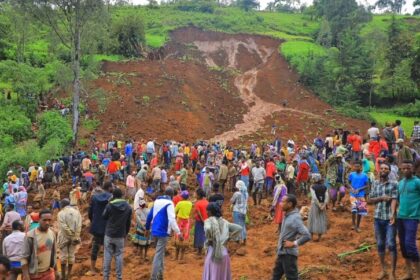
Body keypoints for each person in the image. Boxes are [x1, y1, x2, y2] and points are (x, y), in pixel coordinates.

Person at [367, 163, 398, 280]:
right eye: (382, 168)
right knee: (380, 244)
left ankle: (392, 272)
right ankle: (383, 269)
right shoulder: (375, 183)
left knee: (391, 244)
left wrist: (392, 214)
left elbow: (394, 199)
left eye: (386, 169)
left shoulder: (394, 184)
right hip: (377, 218)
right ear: (379, 170)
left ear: (389, 171)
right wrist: (381, 198)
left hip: (390, 218)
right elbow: (369, 200)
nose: (384, 170)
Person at [272, 194, 311, 280]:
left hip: (289, 255)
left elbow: (307, 235)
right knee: (275, 276)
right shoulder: (287, 215)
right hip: (282, 252)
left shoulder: (295, 218)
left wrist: (294, 243)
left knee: (292, 278)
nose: (280, 204)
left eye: (283, 202)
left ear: (289, 204)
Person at [146, 188, 182, 280]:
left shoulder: (157, 201)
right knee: (158, 255)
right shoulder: (170, 203)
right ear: (172, 196)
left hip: (154, 231)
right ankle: (153, 277)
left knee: (160, 253)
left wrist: (147, 228)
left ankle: (160, 275)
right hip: (163, 232)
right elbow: (172, 219)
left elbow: (150, 216)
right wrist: (178, 232)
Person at [202, 202, 242, 280]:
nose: (206, 212)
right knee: (222, 276)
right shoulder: (225, 222)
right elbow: (239, 228)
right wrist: (229, 237)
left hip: (213, 253)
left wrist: (210, 237)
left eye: (207, 210)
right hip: (224, 253)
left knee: (213, 275)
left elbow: (207, 229)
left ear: (211, 212)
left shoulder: (208, 221)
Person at [397, 160, 420, 280]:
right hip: (401, 217)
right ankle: (409, 273)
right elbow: (398, 199)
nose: (406, 170)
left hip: (413, 217)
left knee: (410, 244)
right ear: (401, 169)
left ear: (413, 169)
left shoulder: (417, 182)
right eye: (403, 168)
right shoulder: (400, 183)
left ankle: (418, 274)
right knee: (403, 246)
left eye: (408, 168)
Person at [102, 188, 132, 280]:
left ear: (113, 196)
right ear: (121, 196)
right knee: (119, 255)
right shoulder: (128, 207)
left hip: (109, 234)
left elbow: (104, 216)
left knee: (107, 255)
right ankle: (119, 277)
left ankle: (106, 277)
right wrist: (125, 233)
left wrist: (109, 203)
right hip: (120, 235)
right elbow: (128, 222)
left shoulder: (109, 205)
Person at [22, 209, 58, 280]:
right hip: (34, 275)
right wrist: (26, 276)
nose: (47, 222)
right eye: (44, 220)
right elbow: (24, 258)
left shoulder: (52, 234)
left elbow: (53, 254)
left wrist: (56, 271)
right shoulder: (30, 236)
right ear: (39, 220)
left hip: (48, 273)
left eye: (49, 220)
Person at [86, 181, 112, 276]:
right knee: (107, 248)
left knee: (95, 247)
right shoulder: (111, 197)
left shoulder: (94, 197)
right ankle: (104, 269)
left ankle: (92, 269)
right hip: (108, 226)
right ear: (109, 188)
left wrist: (94, 221)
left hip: (97, 226)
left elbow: (90, 212)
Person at [57, 198, 82, 280]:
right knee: (71, 255)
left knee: (63, 256)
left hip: (64, 237)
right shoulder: (77, 212)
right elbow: (79, 225)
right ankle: (68, 275)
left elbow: (63, 227)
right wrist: (75, 236)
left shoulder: (61, 213)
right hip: (75, 237)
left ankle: (63, 277)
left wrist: (70, 235)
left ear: (62, 205)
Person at [348, 160, 369, 233]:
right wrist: (352, 188)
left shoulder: (365, 175)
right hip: (353, 194)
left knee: (360, 211)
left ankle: (358, 225)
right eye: (355, 166)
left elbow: (367, 185)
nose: (356, 167)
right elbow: (348, 183)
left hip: (361, 195)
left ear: (361, 167)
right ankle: (353, 224)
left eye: (358, 166)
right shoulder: (351, 174)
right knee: (354, 210)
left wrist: (359, 189)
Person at [308, 174, 329, 242]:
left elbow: (314, 197)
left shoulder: (312, 187)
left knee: (312, 219)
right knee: (321, 219)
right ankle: (319, 237)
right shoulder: (325, 187)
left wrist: (319, 205)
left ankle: (311, 237)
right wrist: (323, 205)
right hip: (322, 205)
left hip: (315, 205)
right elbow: (326, 196)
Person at [174, 190, 192, 263]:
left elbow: (175, 211)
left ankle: (176, 257)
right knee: (184, 238)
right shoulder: (190, 203)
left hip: (179, 221)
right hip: (186, 221)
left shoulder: (179, 203)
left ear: (182, 197)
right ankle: (181, 257)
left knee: (178, 237)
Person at [230, 180, 248, 245]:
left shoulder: (236, 193)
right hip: (244, 212)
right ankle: (244, 239)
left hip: (237, 211)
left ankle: (237, 240)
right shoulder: (246, 193)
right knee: (243, 226)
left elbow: (232, 201)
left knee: (237, 226)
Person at [193, 188, 208, 255]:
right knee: (205, 235)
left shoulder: (197, 203)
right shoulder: (206, 202)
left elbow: (199, 213)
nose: (194, 194)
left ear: (198, 195)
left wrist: (202, 221)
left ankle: (199, 251)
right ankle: (206, 249)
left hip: (200, 221)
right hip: (207, 220)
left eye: (195, 193)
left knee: (199, 235)